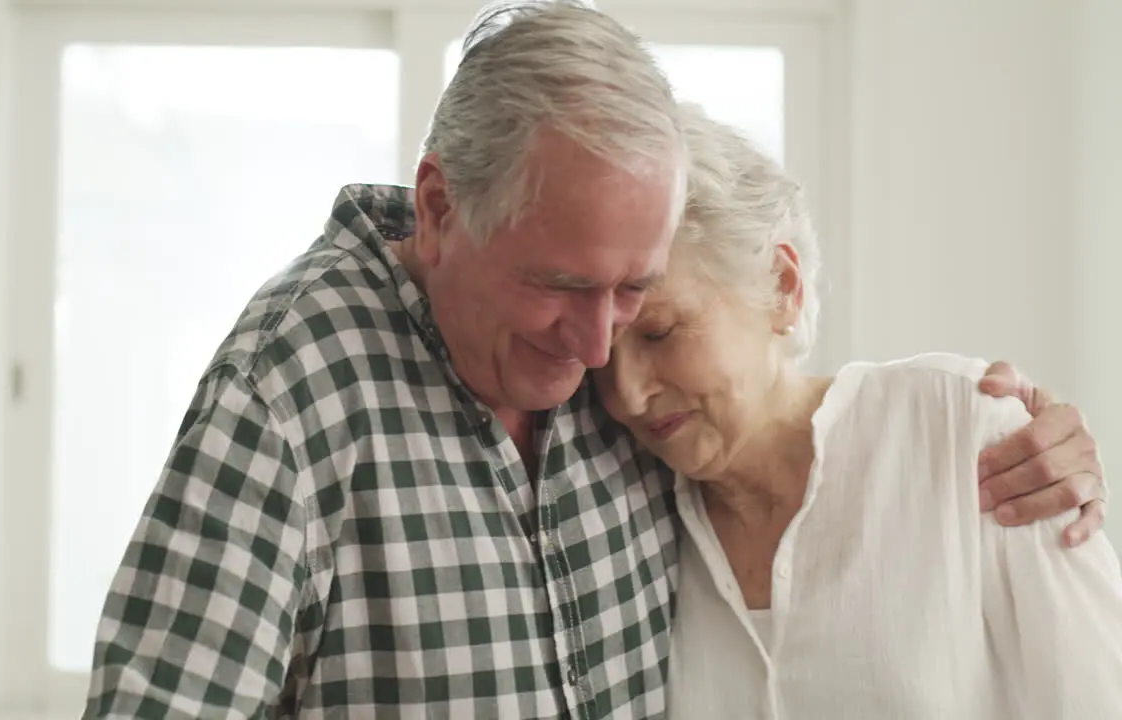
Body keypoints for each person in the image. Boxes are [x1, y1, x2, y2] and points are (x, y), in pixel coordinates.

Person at [83, 3, 1108, 718]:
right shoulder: (291, 382)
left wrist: (1041, 442)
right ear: (439, 210)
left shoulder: (921, 438)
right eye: (561, 288)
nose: (599, 363)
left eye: (638, 305)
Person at [597, 101, 1121, 718]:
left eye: (660, 333)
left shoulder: (965, 431)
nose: (626, 394)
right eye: (599, 358)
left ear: (782, 289)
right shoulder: (623, 498)